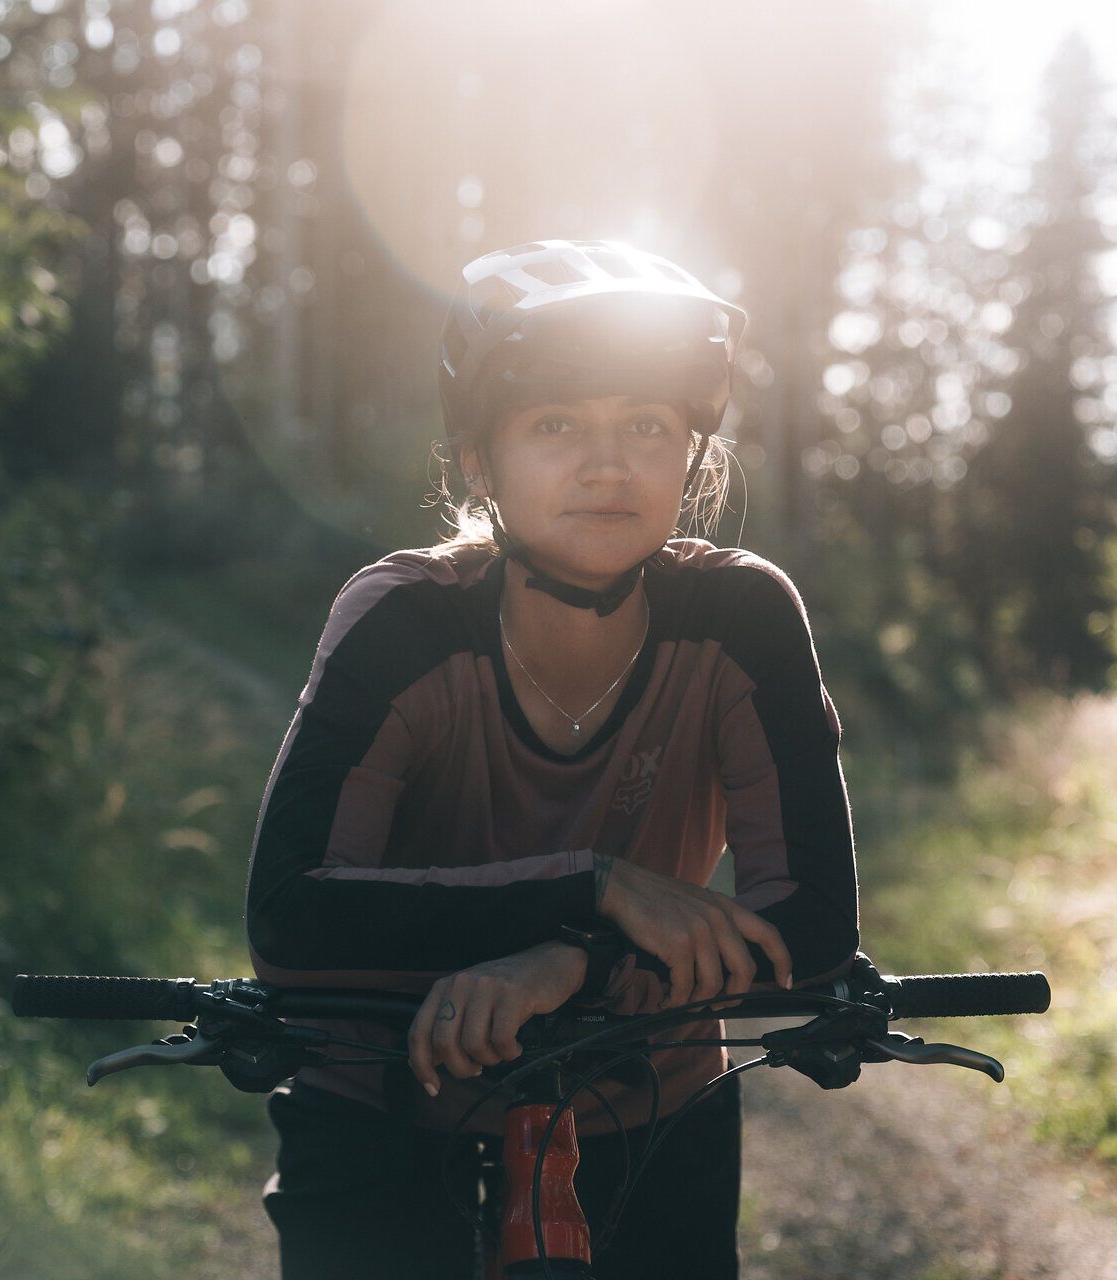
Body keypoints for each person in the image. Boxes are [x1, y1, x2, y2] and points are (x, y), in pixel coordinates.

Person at [244, 239, 860, 1279]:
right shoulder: (401, 621)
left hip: (647, 1098)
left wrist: (569, 954)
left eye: (647, 425)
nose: (606, 463)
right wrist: (595, 887)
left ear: (690, 456)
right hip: (381, 1090)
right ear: (479, 458)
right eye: (555, 423)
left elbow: (811, 921)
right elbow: (293, 917)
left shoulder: (743, 616)